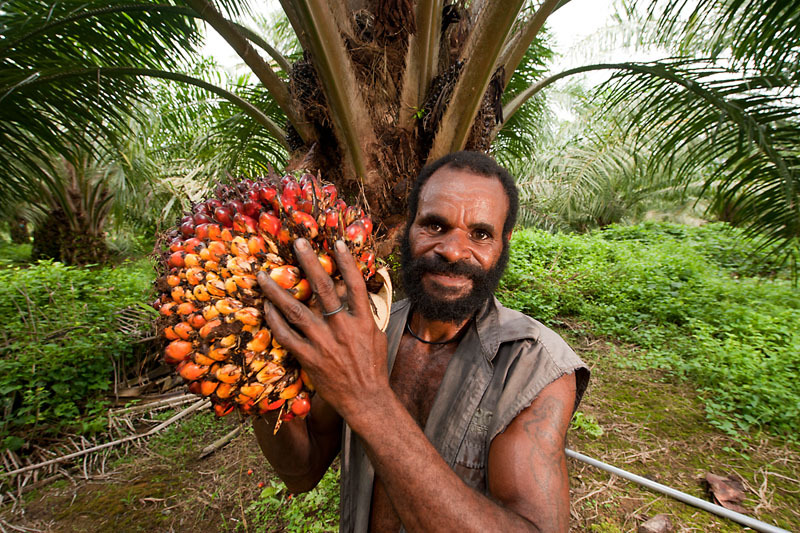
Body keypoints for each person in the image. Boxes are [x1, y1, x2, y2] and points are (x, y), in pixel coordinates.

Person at [254, 151, 589, 532]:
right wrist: (259, 374)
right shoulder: (367, 330)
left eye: (480, 234)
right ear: (408, 228)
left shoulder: (535, 365)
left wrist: (368, 399)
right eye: (434, 225)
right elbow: (301, 472)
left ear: (504, 243)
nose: (453, 250)